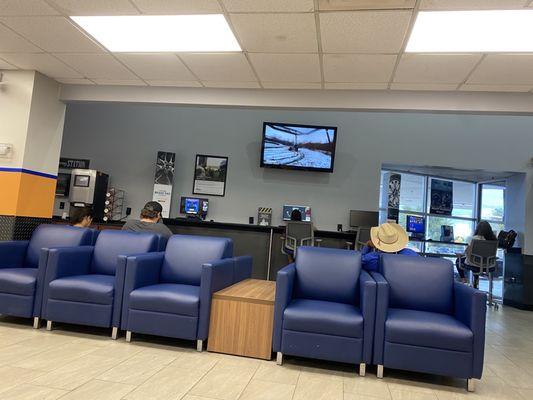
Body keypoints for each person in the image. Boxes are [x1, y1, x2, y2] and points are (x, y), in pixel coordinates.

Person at [456, 220, 497, 286]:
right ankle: (476, 282)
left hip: (475, 264)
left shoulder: (473, 239)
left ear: (477, 229)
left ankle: (463, 279)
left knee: (459, 261)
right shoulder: (493, 240)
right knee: (476, 262)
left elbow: (467, 252)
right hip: (488, 265)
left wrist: (461, 255)